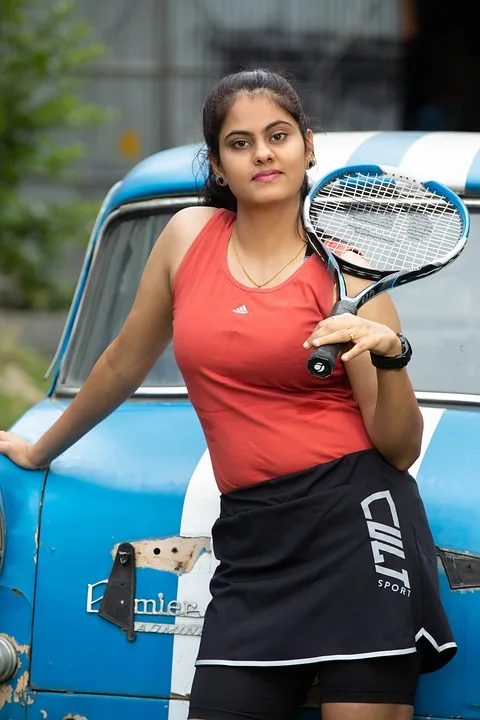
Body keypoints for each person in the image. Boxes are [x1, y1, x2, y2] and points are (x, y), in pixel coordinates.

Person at [0, 69, 456, 720]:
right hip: (253, 538)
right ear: (217, 162)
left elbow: (400, 445)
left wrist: (390, 358)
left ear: (308, 147)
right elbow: (124, 361)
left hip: (356, 532)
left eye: (278, 135)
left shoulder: (348, 271)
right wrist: (41, 447)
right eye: (240, 142)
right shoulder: (186, 239)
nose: (263, 153)